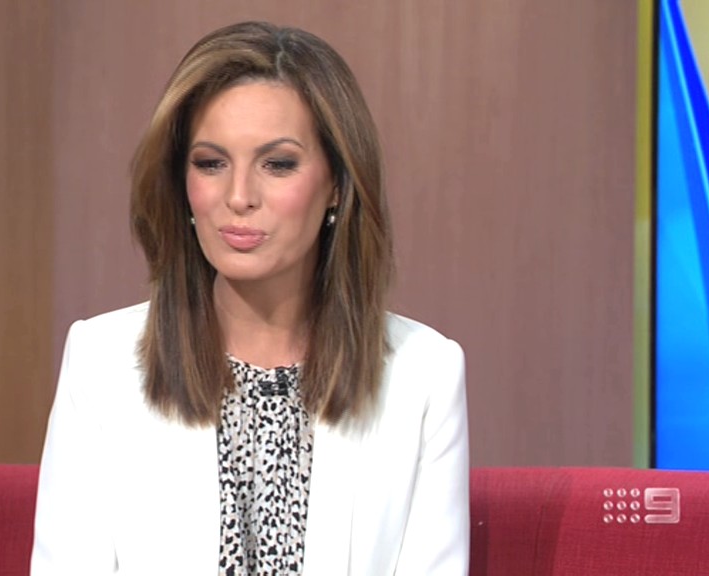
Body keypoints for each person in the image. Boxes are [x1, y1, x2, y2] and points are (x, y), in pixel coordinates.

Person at [31, 21, 468, 575]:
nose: (238, 197)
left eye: (277, 164)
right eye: (210, 163)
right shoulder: (101, 362)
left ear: (337, 183)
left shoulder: (423, 374)